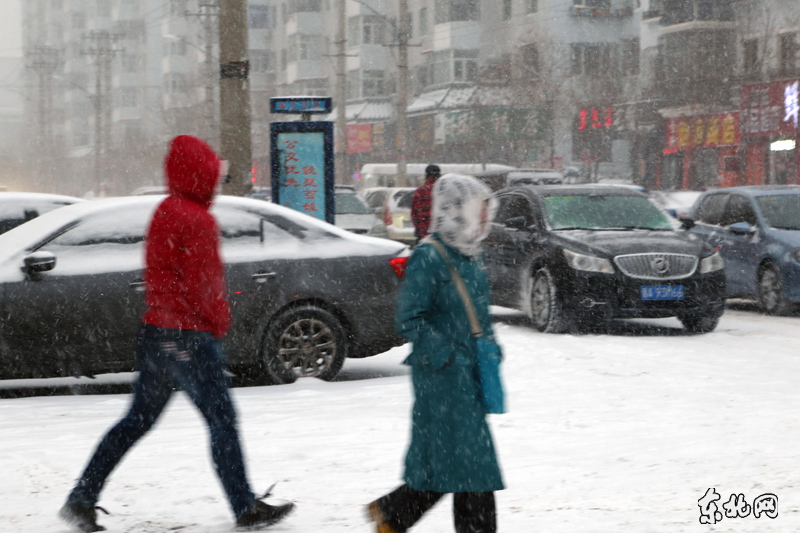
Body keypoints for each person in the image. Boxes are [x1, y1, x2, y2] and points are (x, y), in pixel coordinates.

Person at [59, 135, 294, 532]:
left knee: (135, 421)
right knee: (222, 421)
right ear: (200, 174)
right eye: (212, 175)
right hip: (188, 335)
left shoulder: (165, 210)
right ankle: (244, 507)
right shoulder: (197, 219)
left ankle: (81, 498)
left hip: (157, 332)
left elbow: (162, 274)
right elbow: (205, 285)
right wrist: (218, 323)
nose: (216, 183)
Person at [368, 174, 504, 533]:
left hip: (469, 375)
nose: (487, 218)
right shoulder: (430, 255)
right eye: (481, 210)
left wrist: (489, 346)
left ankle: (393, 513)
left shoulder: (470, 254)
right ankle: (395, 513)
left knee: (454, 461)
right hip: (441, 377)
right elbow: (409, 318)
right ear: (458, 210)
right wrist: (447, 356)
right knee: (472, 464)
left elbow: (477, 312)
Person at [410, 164, 442, 242]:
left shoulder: (420, 191)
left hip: (424, 233)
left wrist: (418, 229)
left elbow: (414, 213)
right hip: (441, 233)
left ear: (426, 175)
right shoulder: (444, 190)